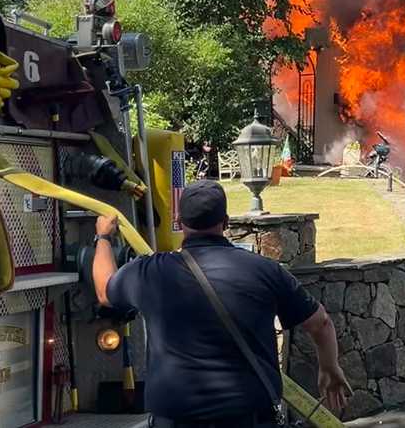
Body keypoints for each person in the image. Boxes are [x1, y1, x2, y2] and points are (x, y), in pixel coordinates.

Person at [92, 180, 351, 427]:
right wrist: (329, 367)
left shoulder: (151, 272)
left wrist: (103, 238)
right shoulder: (265, 271)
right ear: (225, 222)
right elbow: (321, 323)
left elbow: (105, 291)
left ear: (179, 222)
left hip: (176, 421)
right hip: (249, 419)